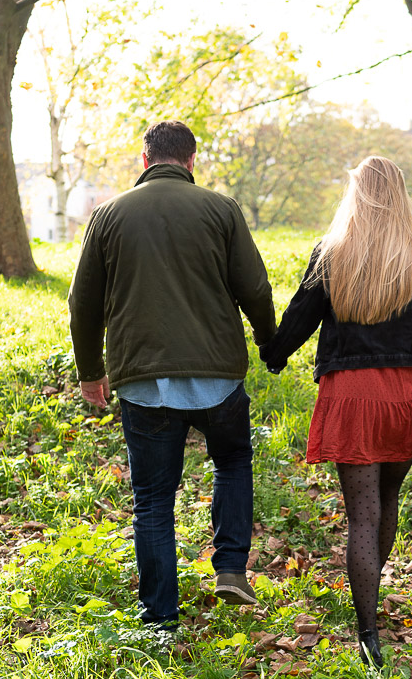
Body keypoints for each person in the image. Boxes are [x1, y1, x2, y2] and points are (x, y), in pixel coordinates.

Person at [68, 119, 276, 627]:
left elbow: (82, 303)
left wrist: (91, 371)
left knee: (154, 501)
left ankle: (160, 619)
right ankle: (229, 566)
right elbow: (254, 287)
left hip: (142, 380)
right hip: (218, 378)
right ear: (190, 161)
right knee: (231, 461)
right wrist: (270, 343)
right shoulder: (220, 208)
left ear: (145, 160)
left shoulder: (108, 215)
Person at [261, 155, 412, 666]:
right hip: (407, 396)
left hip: (352, 396)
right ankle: (372, 606)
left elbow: (298, 320)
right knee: (388, 500)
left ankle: (368, 631)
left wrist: (273, 351)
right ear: (399, 195)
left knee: (361, 518)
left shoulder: (331, 253)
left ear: (355, 194)